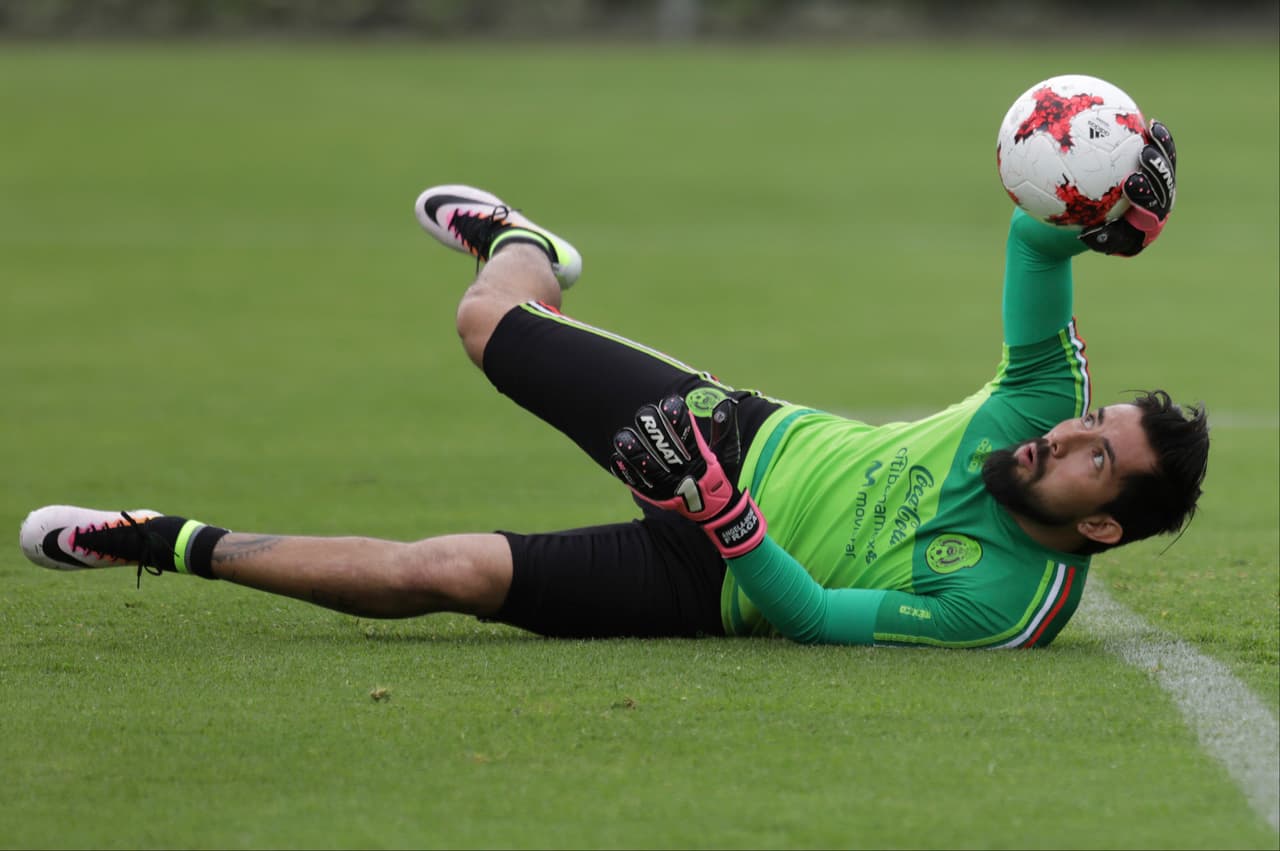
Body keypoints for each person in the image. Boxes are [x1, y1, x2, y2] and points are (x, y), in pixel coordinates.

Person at [19, 121, 1208, 648]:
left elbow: (809, 618)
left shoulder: (1005, 607)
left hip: (708, 578)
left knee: (441, 574)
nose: (1063, 434)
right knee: (485, 322)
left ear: (1102, 523)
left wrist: (716, 516)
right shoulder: (1035, 397)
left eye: (1094, 456)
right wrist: (1119, 202)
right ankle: (520, 244)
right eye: (1086, 421)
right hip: (736, 437)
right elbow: (1037, 238)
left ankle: (160, 538)